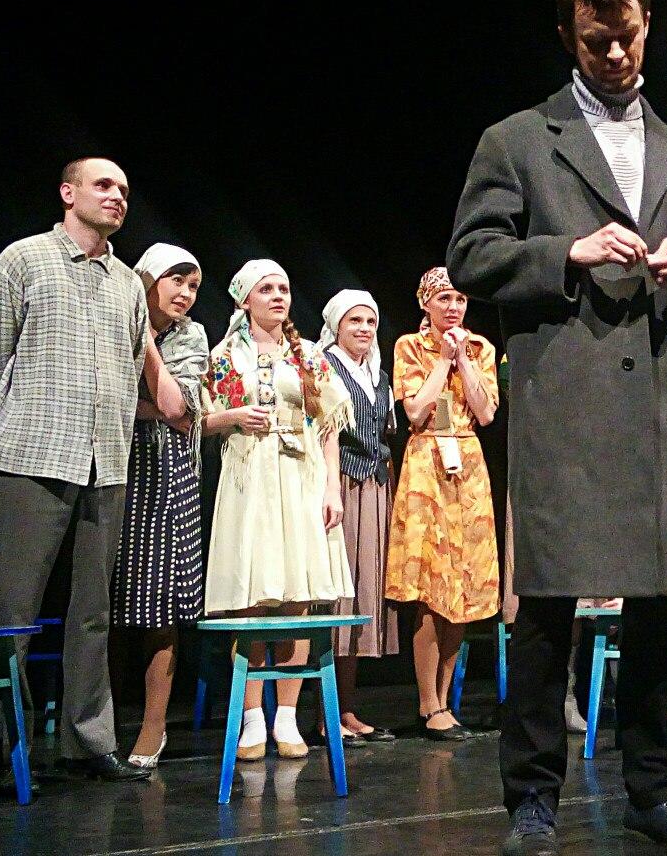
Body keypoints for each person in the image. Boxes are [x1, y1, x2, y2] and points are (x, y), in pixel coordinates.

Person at [448, 0, 667, 854]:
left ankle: (654, 792)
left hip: (659, 405)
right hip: (566, 405)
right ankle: (533, 803)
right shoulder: (518, 139)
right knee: (546, 610)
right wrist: (565, 252)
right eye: (596, 41)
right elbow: (470, 257)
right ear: (568, 36)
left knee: (657, 609)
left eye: (628, 38)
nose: (615, 55)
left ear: (647, 27)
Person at [0, 157, 172, 784]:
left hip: (105, 464)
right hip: (32, 459)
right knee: (9, 611)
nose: (116, 197)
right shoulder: (24, 259)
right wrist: (23, 419)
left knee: (92, 613)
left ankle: (89, 742)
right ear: (68, 192)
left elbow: (130, 367)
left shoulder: (128, 283)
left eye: (124, 189)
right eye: (103, 185)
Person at [201, 259, 353, 761]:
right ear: (244, 299)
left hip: (300, 475)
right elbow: (200, 420)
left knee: (296, 594)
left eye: (284, 288)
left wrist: (332, 488)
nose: (278, 296)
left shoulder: (308, 355)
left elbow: (328, 426)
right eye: (266, 289)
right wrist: (233, 416)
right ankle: (251, 719)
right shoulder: (225, 356)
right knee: (250, 595)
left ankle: (286, 716)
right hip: (249, 478)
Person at [384, 268, 501, 741]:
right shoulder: (409, 347)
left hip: (467, 464)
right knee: (432, 590)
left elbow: (486, 413)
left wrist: (464, 360)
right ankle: (427, 703)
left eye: (460, 299)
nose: (453, 307)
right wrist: (443, 361)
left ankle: (445, 700)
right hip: (426, 463)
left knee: (464, 589)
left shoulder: (482, 349)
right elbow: (415, 410)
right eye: (444, 299)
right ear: (426, 303)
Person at [112, 243, 210, 769]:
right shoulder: (111, 320)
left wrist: (146, 341)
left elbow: (178, 408)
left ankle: (153, 727)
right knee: (105, 603)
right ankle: (99, 729)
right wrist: (147, 406)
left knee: (160, 606)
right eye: (176, 281)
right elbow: (105, 398)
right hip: (112, 464)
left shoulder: (190, 335)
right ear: (146, 280)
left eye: (193, 286)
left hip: (169, 475)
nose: (186, 294)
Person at [317, 290, 400, 745]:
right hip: (341, 484)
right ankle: (324, 712)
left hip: (375, 486)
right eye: (355, 321)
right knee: (336, 597)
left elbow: (384, 429)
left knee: (360, 598)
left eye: (370, 321)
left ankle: (345, 709)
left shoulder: (377, 375)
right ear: (336, 326)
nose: (364, 329)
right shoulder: (324, 365)